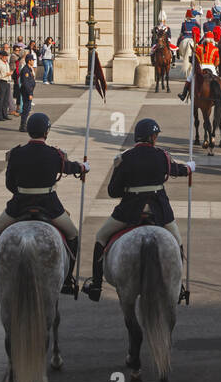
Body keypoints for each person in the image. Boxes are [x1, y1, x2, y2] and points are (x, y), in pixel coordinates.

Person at [81, 118, 194, 303]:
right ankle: (178, 286)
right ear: (152, 137)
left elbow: (112, 191)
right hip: (160, 212)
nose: (156, 138)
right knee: (177, 241)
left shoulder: (124, 158)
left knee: (101, 237)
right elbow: (175, 170)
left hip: (129, 212)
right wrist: (189, 168)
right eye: (156, 135)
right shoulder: (162, 156)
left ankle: (96, 285)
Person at [0, 113, 86, 295]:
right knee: (73, 235)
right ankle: (67, 280)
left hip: (19, 205)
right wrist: (83, 167)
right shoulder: (54, 154)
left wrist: (22, 193)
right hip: (50, 207)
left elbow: (10, 184)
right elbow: (70, 167)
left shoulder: (16, 153)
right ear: (47, 131)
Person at [18, 55, 38, 132]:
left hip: (29, 91)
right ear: (29, 61)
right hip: (26, 92)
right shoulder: (25, 70)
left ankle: (23, 125)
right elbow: (26, 83)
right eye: (32, 60)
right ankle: (23, 126)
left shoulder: (29, 69)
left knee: (27, 108)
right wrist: (30, 93)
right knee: (26, 109)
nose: (33, 61)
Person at [0, 48, 13, 121]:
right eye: (4, 56)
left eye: (6, 56)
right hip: (1, 81)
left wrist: (9, 74)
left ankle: (5, 114)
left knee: (6, 99)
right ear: (1, 56)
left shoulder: (6, 63)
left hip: (7, 82)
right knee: (0, 99)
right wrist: (5, 74)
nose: (6, 57)